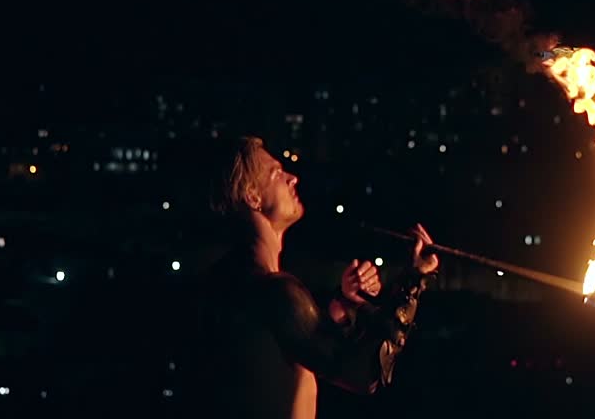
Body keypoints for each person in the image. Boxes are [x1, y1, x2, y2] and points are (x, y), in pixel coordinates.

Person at [184, 136, 438, 418]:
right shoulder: (275, 291)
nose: (293, 178)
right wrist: (413, 281)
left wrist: (341, 305)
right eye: (277, 173)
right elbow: (364, 375)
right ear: (253, 196)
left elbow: (280, 358)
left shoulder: (225, 281)